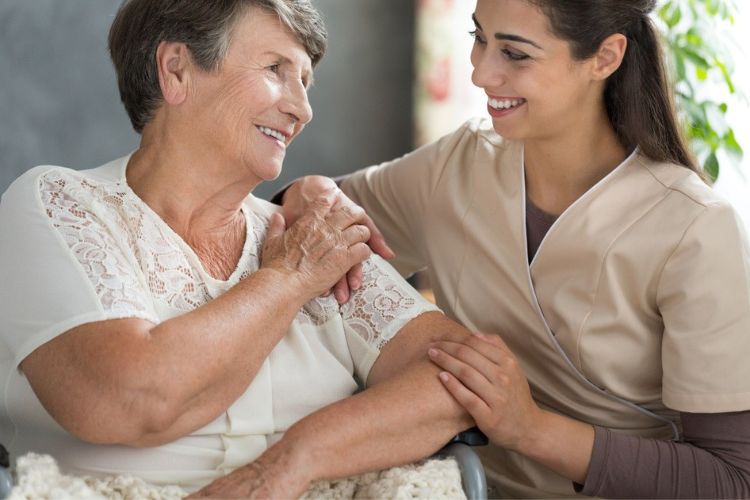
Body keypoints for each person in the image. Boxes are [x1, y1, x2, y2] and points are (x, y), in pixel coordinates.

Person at [0, 0, 478, 498]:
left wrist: (286, 467)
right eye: (276, 69)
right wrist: (289, 278)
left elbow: (459, 375)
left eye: (306, 82)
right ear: (176, 71)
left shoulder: (314, 233)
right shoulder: (57, 205)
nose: (302, 108)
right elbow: (126, 400)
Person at [278, 0, 750, 497]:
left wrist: (530, 428)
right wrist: (309, 191)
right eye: (479, 37)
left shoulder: (696, 230)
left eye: (516, 54)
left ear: (605, 58)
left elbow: (732, 479)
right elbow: (311, 215)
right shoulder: (459, 165)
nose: (481, 73)